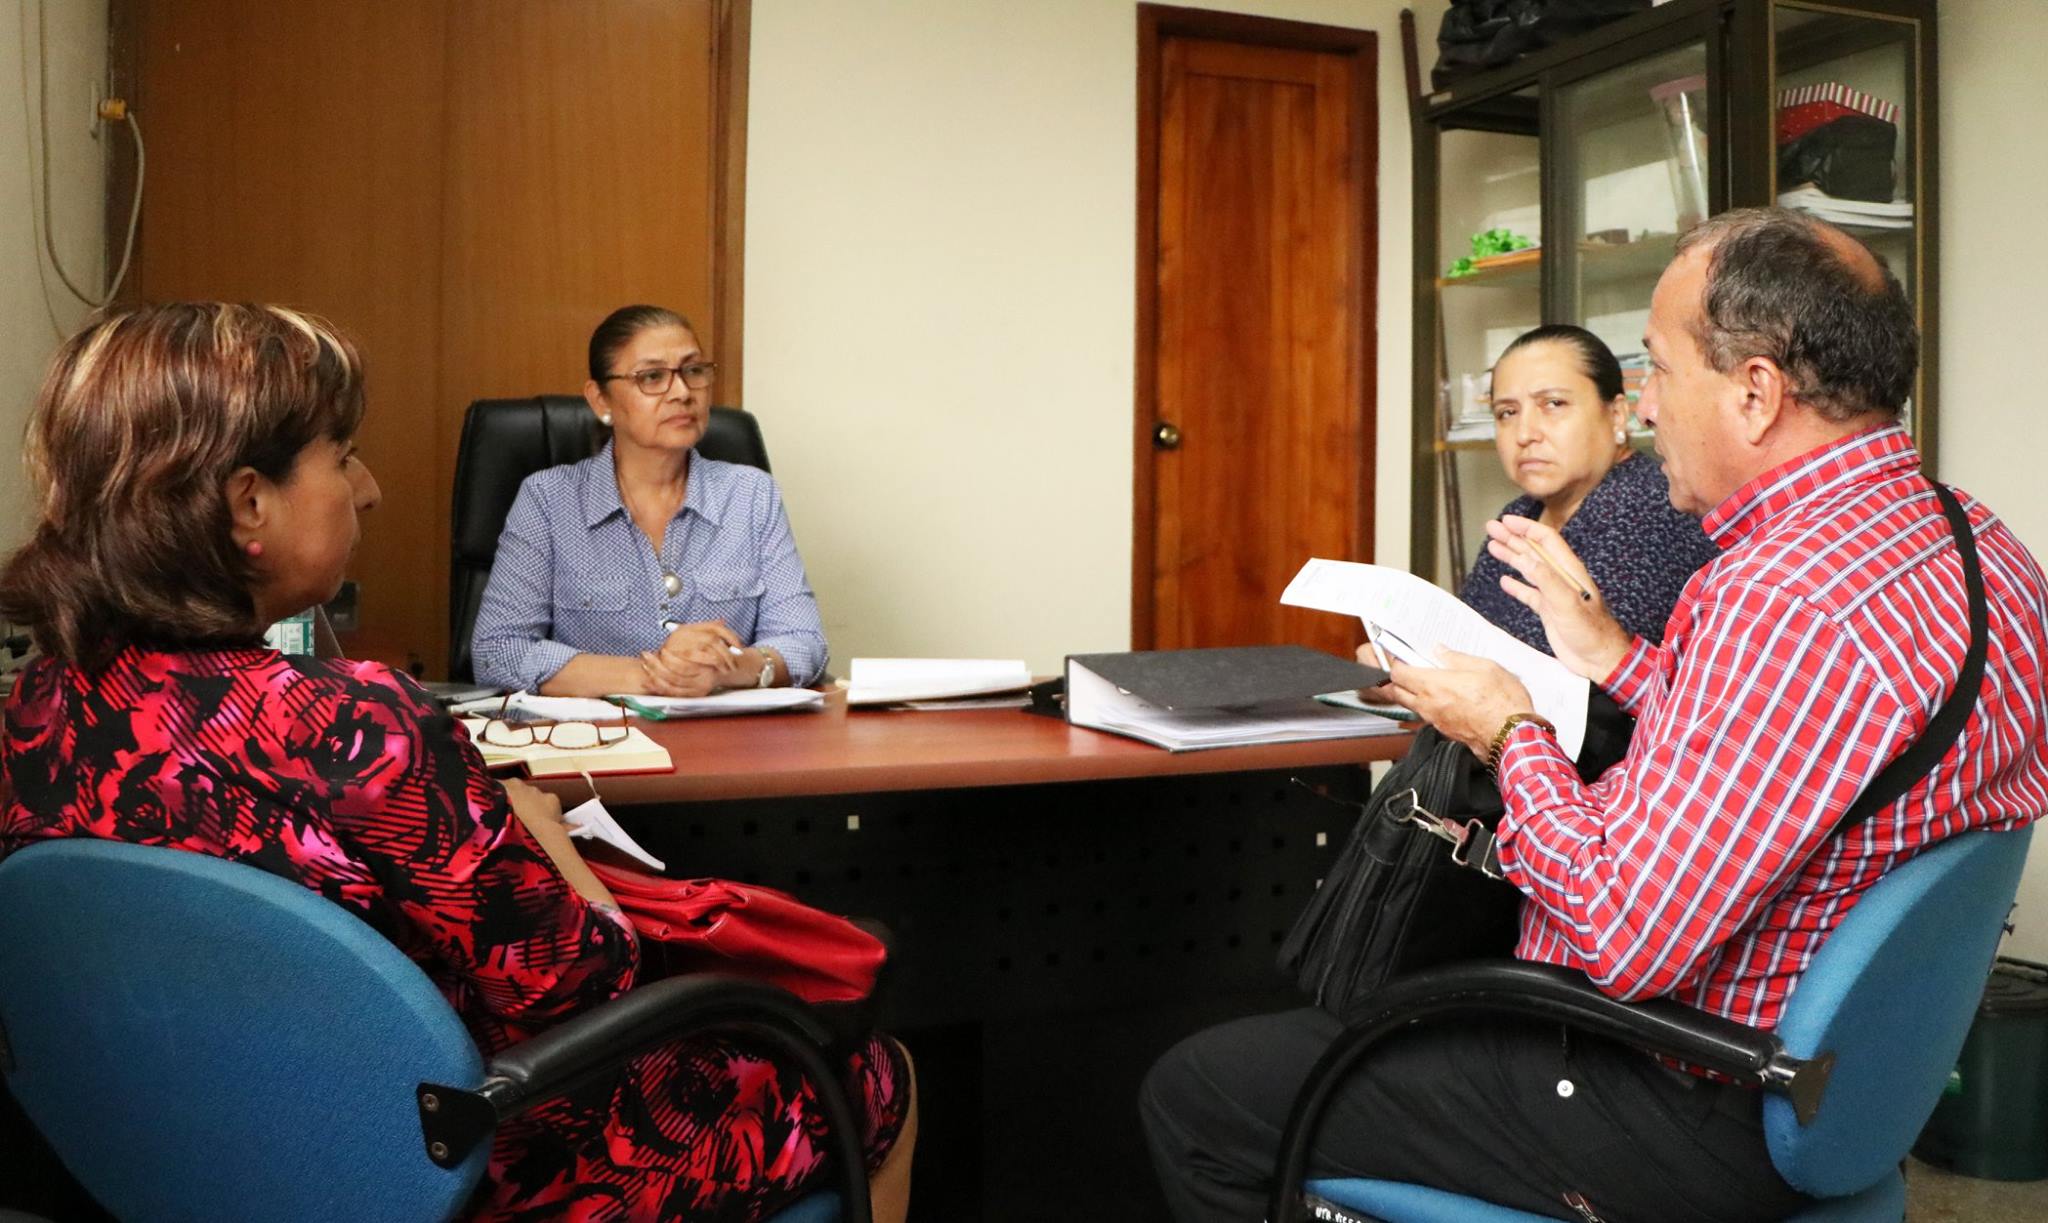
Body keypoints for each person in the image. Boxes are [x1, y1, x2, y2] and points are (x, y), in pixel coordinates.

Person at [1142, 208, 2048, 1222]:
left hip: (1686, 1095)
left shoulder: (1781, 597)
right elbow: (1794, 749)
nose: (1646, 405)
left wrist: (1507, 730)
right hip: (1840, 1088)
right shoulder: (1976, 541)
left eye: (1657, 368)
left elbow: (1621, 937)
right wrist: (1614, 655)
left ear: (1754, 392)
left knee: (1201, 1089)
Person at [0, 304, 915, 1223]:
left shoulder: (36, 704)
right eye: (343, 455)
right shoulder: (358, 729)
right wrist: (544, 836)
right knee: (876, 1070)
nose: (367, 489)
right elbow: (583, 982)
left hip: (186, 1150)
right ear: (249, 505)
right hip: (447, 1162)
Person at [470, 304, 827, 698]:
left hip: (725, 731)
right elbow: (497, 651)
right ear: (601, 400)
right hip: (602, 733)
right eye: (652, 377)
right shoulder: (548, 501)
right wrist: (656, 674)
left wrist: (732, 668)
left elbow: (805, 642)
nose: (683, 393)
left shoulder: (751, 494)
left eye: (693, 371)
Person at [1459, 324, 1718, 652]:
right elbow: (1461, 630)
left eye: (1553, 404)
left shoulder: (1653, 509)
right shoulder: (1520, 513)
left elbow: (1581, 671)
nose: (1524, 434)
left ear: (1617, 414)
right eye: (1507, 412)